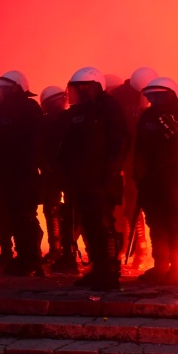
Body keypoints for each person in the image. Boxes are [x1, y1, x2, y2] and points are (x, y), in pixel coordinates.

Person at [59, 67, 130, 290]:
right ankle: (98, 268)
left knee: (103, 224)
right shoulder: (78, 112)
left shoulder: (108, 108)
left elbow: (119, 142)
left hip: (101, 179)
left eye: (81, 87)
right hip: (82, 179)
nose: (76, 92)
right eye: (74, 88)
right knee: (90, 225)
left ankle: (110, 271)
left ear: (93, 86)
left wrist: (109, 173)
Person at [134, 78, 178, 285]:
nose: (154, 99)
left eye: (158, 95)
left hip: (172, 176)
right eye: (150, 96)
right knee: (155, 222)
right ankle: (160, 266)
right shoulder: (147, 116)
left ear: (170, 93)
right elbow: (140, 148)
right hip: (150, 177)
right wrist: (139, 174)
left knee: (174, 222)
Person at [0, 71, 44, 276]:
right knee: (12, 216)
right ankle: (23, 257)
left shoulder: (29, 109)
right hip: (4, 174)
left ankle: (31, 258)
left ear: (16, 88)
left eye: (2, 88)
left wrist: (29, 165)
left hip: (23, 173)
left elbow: (36, 142)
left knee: (25, 216)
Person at [110, 67, 159, 269]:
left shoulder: (137, 99)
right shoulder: (121, 100)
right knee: (130, 205)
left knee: (137, 205)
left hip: (137, 159)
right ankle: (138, 249)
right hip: (130, 159)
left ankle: (141, 250)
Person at [37, 86, 77, 273]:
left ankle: (59, 249)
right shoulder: (71, 119)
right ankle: (61, 249)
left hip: (55, 172)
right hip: (61, 172)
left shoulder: (48, 122)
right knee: (62, 211)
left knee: (55, 210)